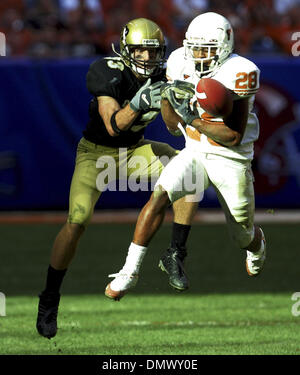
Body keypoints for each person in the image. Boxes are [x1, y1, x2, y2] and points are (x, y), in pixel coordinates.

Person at [36, 18, 198, 339]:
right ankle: (50, 296)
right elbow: (112, 125)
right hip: (96, 155)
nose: (148, 59)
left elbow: (169, 127)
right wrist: (140, 101)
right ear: (126, 50)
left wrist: (176, 103)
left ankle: (175, 254)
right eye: (141, 51)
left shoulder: (165, 73)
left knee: (189, 170)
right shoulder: (106, 70)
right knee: (77, 221)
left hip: (135, 152)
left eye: (154, 52)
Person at [106, 12, 267, 300]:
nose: (199, 55)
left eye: (207, 49)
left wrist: (191, 118)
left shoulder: (240, 71)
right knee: (159, 196)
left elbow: (232, 136)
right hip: (194, 149)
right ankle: (129, 271)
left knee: (241, 234)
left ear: (225, 46)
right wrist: (170, 98)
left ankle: (257, 246)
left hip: (231, 158)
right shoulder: (180, 60)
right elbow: (171, 126)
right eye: (194, 47)